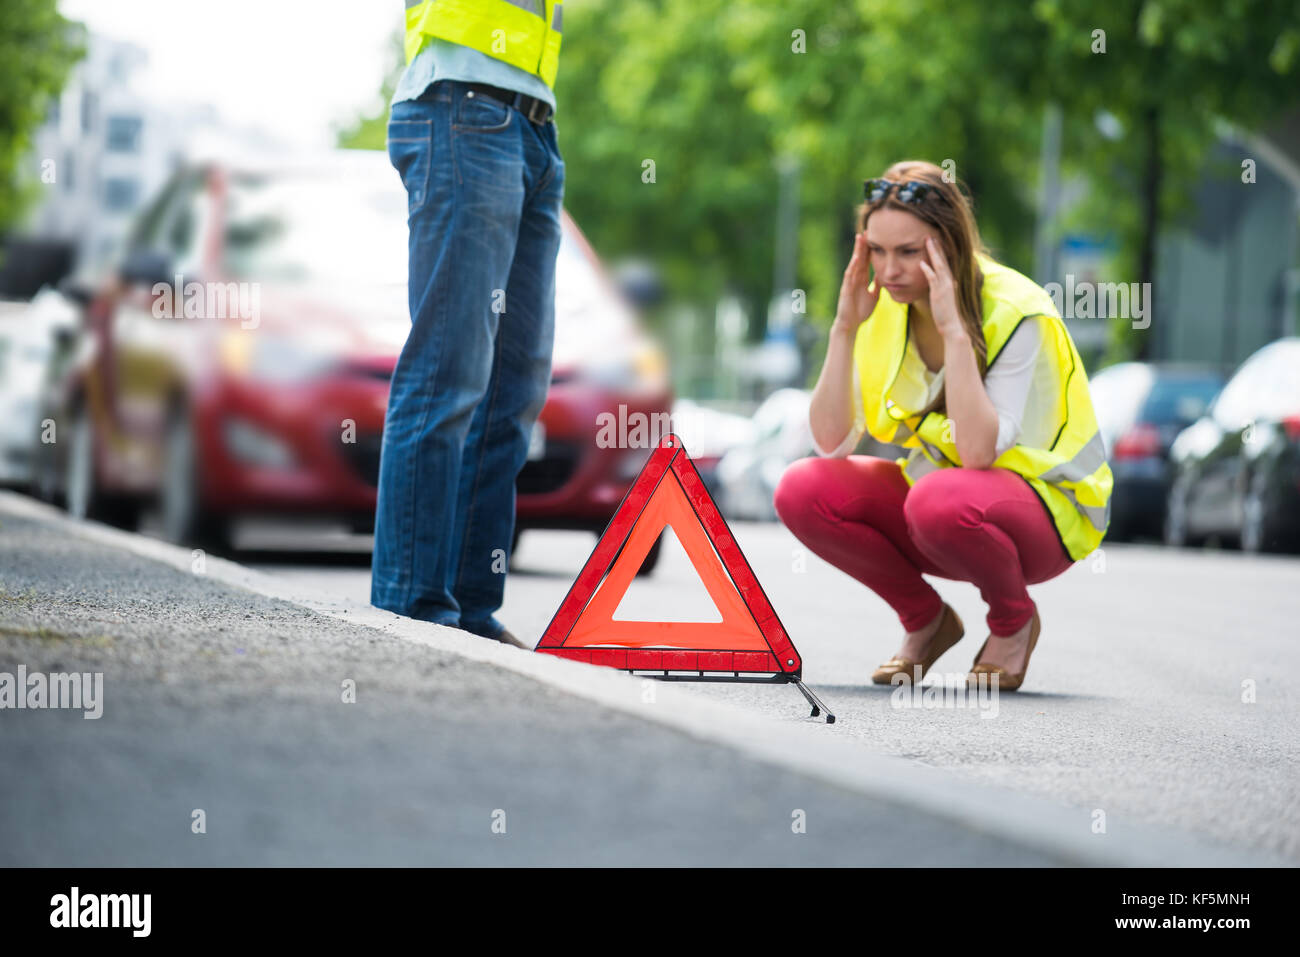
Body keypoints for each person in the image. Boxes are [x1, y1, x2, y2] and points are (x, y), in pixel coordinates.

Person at [773, 160, 1112, 692]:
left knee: (936, 499)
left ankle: (1012, 622)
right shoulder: (885, 305)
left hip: (1045, 516)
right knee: (802, 488)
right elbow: (831, 441)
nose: (889, 272)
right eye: (878, 252)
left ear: (949, 243)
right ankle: (926, 622)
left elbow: (977, 453)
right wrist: (844, 327)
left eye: (909, 252)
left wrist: (954, 329)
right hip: (941, 510)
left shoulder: (1016, 309)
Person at [371, 1, 565, 647]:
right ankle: (412, 609)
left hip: (534, 126)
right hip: (461, 106)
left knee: (512, 392)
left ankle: (471, 610)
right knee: (446, 374)